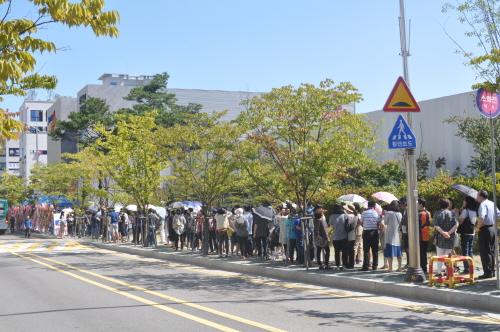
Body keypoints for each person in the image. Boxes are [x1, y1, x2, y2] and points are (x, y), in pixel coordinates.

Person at [433, 198, 459, 276]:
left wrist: (443, 233)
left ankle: (438, 272)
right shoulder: (452, 214)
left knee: (440, 255)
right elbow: (456, 224)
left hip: (440, 237)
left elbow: (436, 225)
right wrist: (449, 233)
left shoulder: (437, 213)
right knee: (448, 255)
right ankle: (448, 272)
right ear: (448, 205)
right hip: (450, 237)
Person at [476, 190, 499, 279]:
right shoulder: (491, 203)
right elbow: (498, 214)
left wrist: (479, 225)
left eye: (478, 195)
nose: (477, 197)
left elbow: (482, 216)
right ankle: (492, 271)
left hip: (485, 228)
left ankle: (487, 272)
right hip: (492, 228)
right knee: (491, 250)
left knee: (485, 251)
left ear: (481, 196)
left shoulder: (483, 204)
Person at [359, 201, 381, 271]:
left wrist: (365, 226)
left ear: (368, 206)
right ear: (374, 206)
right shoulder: (376, 213)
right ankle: (375, 265)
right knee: (375, 250)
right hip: (374, 232)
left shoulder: (364, 213)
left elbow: (361, 223)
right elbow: (378, 223)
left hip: (366, 232)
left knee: (366, 250)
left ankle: (365, 265)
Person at [382, 200, 403, 272]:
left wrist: (385, 215)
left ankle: (390, 268)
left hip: (390, 235)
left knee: (389, 252)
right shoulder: (400, 214)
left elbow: (385, 222)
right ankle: (399, 267)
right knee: (398, 253)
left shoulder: (389, 213)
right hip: (397, 235)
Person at [329, 203, 348, 270]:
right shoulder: (345, 216)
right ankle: (344, 265)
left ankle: (337, 265)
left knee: (337, 252)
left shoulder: (332, 216)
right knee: (344, 251)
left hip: (335, 236)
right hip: (344, 236)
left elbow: (331, 226)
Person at [418, 198, 431, 274]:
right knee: (424, 253)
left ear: (420, 204)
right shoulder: (428, 213)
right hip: (426, 234)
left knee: (421, 253)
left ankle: (422, 268)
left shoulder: (420, 214)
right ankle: (424, 268)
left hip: (420, 235)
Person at [344, 204, 357, 269]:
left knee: (346, 250)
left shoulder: (347, 216)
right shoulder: (355, 216)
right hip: (353, 235)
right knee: (352, 250)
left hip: (347, 235)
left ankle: (347, 263)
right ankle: (351, 264)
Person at [399, 197, 409, 269]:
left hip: (409, 231)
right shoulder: (403, 211)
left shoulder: (409, 211)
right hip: (404, 231)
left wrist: (401, 222)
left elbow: (406, 221)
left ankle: (409, 263)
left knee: (408, 248)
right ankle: (408, 263)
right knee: (406, 248)